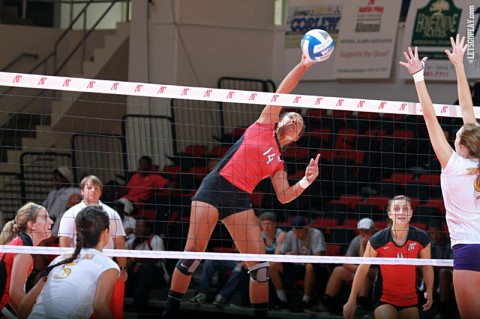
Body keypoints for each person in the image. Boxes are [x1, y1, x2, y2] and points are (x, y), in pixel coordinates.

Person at [162, 54, 319, 319]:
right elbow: (284, 90)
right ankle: (169, 313)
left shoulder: (278, 164)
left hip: (239, 200)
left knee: (259, 268)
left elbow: (283, 196)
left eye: (299, 124)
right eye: (292, 117)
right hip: (215, 187)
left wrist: (305, 180)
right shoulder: (264, 124)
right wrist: (304, 65)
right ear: (281, 120)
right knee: (191, 256)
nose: (294, 121)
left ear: (296, 138)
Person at [399, 34, 480, 319]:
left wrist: (418, 77)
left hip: (468, 250)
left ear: (459, 146)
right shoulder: (473, 155)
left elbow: (430, 118)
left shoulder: (453, 165)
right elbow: (469, 115)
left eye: (457, 135)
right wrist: (458, 65)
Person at [18, 205, 119, 319]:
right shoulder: (107, 265)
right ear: (106, 233)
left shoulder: (60, 260)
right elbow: (100, 306)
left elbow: (23, 308)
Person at [343, 195, 433, 319]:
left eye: (405, 208)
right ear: (390, 214)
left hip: (410, 300)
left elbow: (427, 267)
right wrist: (351, 300)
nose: (401, 212)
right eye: (396, 208)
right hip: (384, 299)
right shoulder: (378, 239)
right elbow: (363, 268)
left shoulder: (421, 238)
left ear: (411, 213)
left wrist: (430, 291)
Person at [58, 175, 127, 319]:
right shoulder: (71, 213)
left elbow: (120, 242)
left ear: (101, 192)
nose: (93, 191)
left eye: (97, 188)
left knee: (110, 309)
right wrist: (64, 265)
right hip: (80, 267)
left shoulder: (112, 214)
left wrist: (123, 268)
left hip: (107, 267)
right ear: (82, 191)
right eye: (89, 187)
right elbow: (64, 242)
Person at [306, 217, 376, 316]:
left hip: (375, 272)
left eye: (366, 230)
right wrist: (359, 269)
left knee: (365, 272)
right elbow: (346, 260)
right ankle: (326, 303)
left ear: (372, 230)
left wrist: (362, 245)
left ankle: (361, 305)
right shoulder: (357, 240)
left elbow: (365, 262)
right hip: (360, 269)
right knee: (338, 270)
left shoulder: (377, 240)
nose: (363, 232)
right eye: (361, 229)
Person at [0, 203, 53, 317]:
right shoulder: (23, 248)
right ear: (31, 225)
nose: (51, 221)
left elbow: (10, 293)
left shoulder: (22, 244)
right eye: (44, 217)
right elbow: (15, 293)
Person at [269, 216, 327, 311]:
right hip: (295, 266)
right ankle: (282, 299)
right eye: (295, 232)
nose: (296, 235)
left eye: (299, 232)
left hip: (315, 267)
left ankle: (305, 300)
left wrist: (298, 256)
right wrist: (287, 255)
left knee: (309, 266)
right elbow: (280, 254)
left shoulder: (316, 234)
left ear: (305, 228)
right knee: (273, 264)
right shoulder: (291, 234)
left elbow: (318, 257)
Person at [125, 219, 169, 311]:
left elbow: (155, 258)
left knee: (146, 268)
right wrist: (124, 236)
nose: (138, 229)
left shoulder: (156, 239)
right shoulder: (132, 241)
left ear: (148, 229)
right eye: (137, 226)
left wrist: (133, 259)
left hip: (158, 277)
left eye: (141, 226)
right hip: (138, 276)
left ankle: (140, 305)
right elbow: (120, 252)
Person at [42, 167, 81, 236]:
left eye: (57, 179)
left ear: (65, 179)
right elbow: (44, 205)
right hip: (46, 221)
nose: (55, 181)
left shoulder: (73, 190)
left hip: (59, 220)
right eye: (54, 179)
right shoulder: (52, 192)